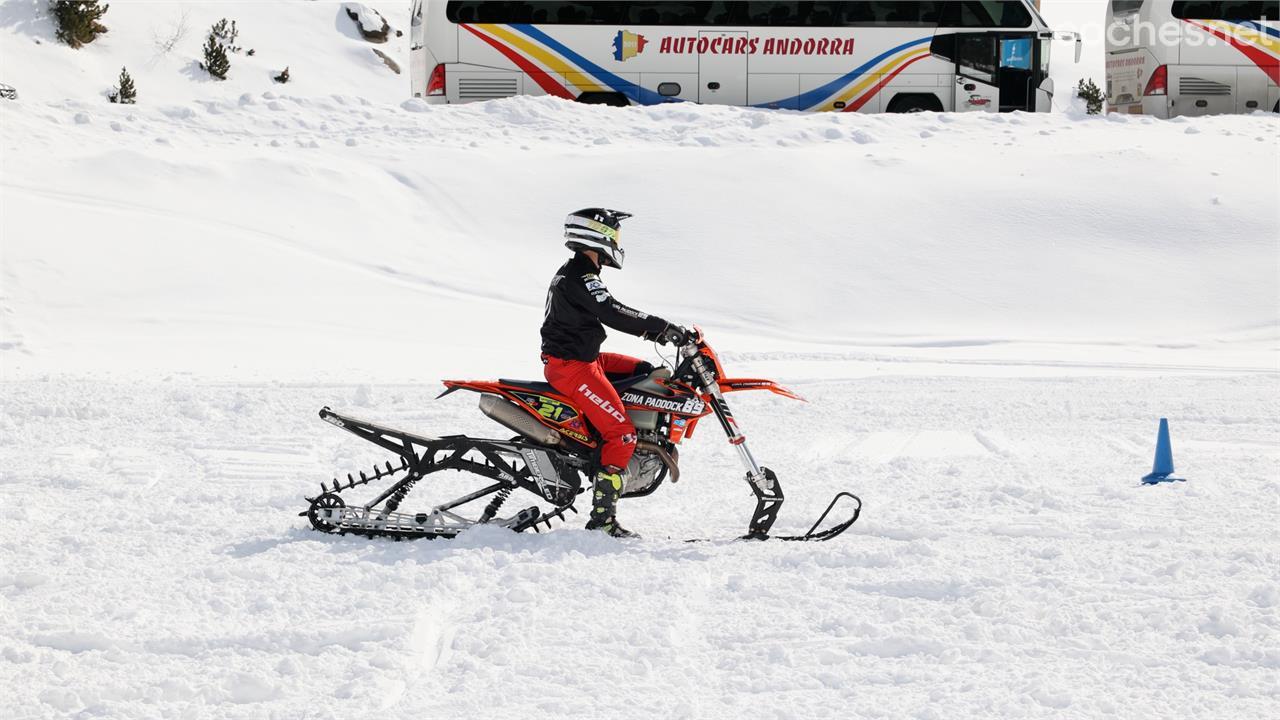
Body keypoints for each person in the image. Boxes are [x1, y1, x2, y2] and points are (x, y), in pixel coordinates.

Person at [541, 208, 691, 538]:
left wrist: (657, 333)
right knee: (621, 434)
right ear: (598, 236)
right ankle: (602, 521)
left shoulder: (578, 273)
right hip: (573, 366)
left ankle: (620, 441)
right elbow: (613, 312)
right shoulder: (581, 277)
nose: (617, 243)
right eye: (614, 235)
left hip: (586, 358)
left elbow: (608, 311)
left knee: (646, 371)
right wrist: (662, 327)